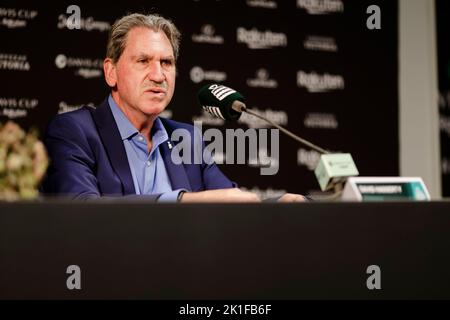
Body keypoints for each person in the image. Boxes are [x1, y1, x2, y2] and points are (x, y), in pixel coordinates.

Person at [42, 13, 304, 203]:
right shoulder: (73, 131)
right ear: (111, 72)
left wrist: (277, 206)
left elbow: (230, 202)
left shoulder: (187, 139)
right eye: (143, 61)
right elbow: (82, 212)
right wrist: (178, 202)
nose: (158, 75)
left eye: (166, 62)